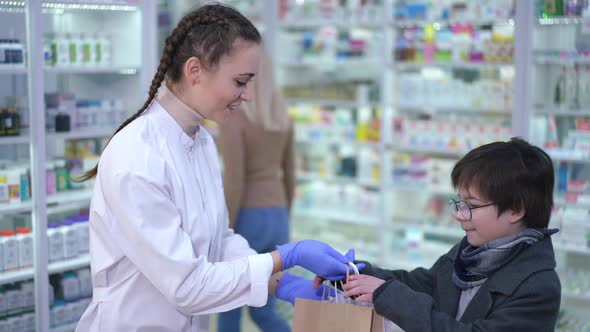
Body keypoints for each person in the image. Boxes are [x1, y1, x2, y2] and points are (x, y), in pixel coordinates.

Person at [74, 4, 354, 332]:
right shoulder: (136, 156)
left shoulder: (201, 142)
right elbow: (187, 286)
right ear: (195, 71)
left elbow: (219, 242)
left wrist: (281, 283)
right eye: (239, 81)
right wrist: (284, 256)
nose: (247, 96)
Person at [277, 137, 562, 331]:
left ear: (516, 210)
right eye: (459, 203)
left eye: (472, 206)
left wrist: (387, 295)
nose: (459, 214)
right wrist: (352, 273)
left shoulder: (538, 286)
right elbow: (421, 283)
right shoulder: (472, 254)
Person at [216, 48, 294, 332]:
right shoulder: (282, 116)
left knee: (229, 310)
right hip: (278, 218)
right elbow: (290, 176)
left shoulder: (235, 117)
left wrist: (223, 227)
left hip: (248, 217)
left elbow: (235, 179)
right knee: (264, 312)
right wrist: (285, 215)